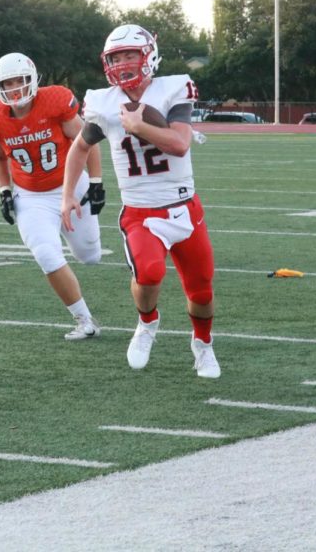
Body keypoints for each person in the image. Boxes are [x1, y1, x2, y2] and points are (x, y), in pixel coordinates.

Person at [61, 25, 220, 378]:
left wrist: (138, 126)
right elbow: (81, 146)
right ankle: (147, 323)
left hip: (184, 207)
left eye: (129, 54)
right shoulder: (103, 102)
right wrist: (68, 192)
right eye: (115, 57)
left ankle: (202, 345)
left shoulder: (172, 89)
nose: (122, 63)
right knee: (148, 274)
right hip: (140, 212)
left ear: (148, 55)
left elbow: (179, 144)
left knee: (202, 291)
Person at [0, 52, 104, 340]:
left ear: (32, 80)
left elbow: (87, 140)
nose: (14, 90)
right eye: (7, 84)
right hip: (31, 196)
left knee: (90, 256)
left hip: (70, 186)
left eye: (19, 82)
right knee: (46, 254)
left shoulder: (54, 101)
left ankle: (79, 245)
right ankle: (84, 320)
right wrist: (4, 191)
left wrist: (95, 182)